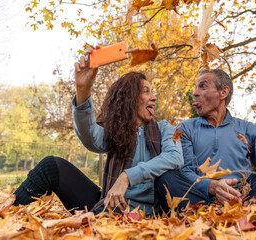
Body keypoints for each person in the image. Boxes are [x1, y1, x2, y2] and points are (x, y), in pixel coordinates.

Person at [13, 53, 184, 216]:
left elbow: (175, 157)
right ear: (130, 98)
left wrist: (127, 177)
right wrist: (82, 90)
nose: (153, 97)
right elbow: (90, 136)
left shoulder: (167, 129)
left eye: (152, 92)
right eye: (146, 91)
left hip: (146, 213)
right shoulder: (117, 130)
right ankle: (4, 218)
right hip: (108, 205)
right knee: (51, 166)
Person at [155, 69, 256, 212]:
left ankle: (252, 217)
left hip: (243, 199)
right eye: (196, 87)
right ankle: (204, 221)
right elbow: (185, 171)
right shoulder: (185, 128)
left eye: (202, 86)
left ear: (223, 92)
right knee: (167, 178)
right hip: (199, 199)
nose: (195, 93)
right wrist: (212, 187)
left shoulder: (249, 129)